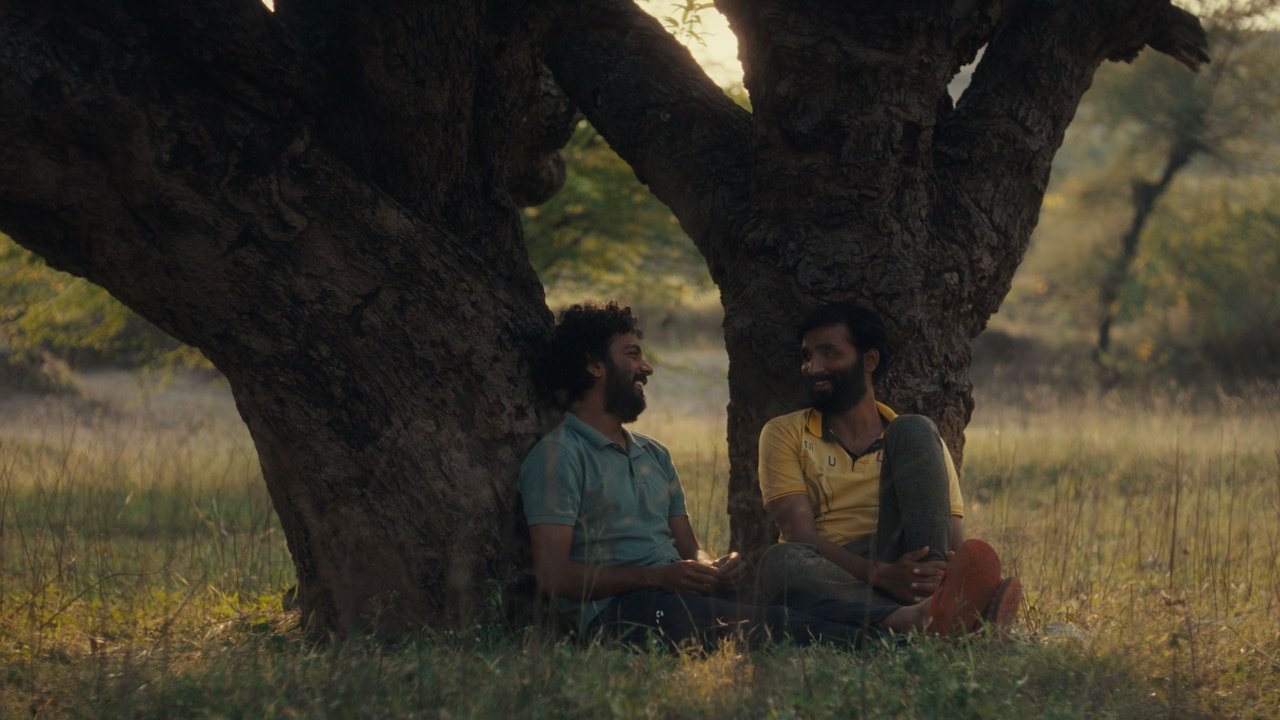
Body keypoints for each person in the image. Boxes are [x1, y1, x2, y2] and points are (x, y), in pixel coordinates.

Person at [519, 300, 1001, 650]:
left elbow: (689, 551)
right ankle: (917, 628)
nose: (645, 366)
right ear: (593, 366)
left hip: (669, 591)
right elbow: (554, 575)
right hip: (621, 612)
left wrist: (711, 569)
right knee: (776, 615)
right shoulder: (559, 457)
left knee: (776, 617)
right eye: (632, 354)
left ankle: (935, 606)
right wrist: (659, 575)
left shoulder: (653, 456)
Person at [756, 301, 1021, 627]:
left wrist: (939, 569)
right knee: (779, 563)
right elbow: (800, 535)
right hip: (834, 569)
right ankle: (935, 614)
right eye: (807, 357)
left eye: (829, 354)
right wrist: (878, 574)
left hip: (910, 561)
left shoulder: (917, 440)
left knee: (914, 427)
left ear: (869, 360)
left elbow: (952, 536)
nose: (814, 368)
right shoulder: (784, 432)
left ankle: (933, 598)